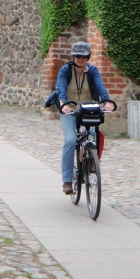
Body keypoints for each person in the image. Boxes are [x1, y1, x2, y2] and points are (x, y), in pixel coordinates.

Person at [56, 42, 113, 195]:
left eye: (84, 56)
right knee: (70, 140)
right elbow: (61, 89)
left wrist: (106, 101)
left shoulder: (92, 70)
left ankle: (90, 161)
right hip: (69, 108)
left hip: (88, 108)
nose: (81, 59)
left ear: (88, 57)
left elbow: (101, 87)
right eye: (78, 56)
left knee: (93, 135)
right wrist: (63, 105)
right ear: (73, 57)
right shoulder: (65, 70)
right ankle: (67, 180)